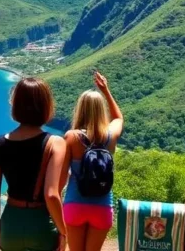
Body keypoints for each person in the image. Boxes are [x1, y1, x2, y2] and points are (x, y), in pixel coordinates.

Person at [0, 77, 68, 251]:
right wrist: (63, 232)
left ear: (15, 105)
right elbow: (52, 195)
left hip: (11, 223)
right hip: (41, 224)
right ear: (46, 106)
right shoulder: (55, 143)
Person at [62, 72, 124, 251]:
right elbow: (119, 118)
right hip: (102, 206)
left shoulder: (71, 137)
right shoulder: (110, 137)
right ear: (101, 110)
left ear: (80, 109)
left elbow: (61, 177)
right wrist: (106, 90)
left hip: (74, 204)